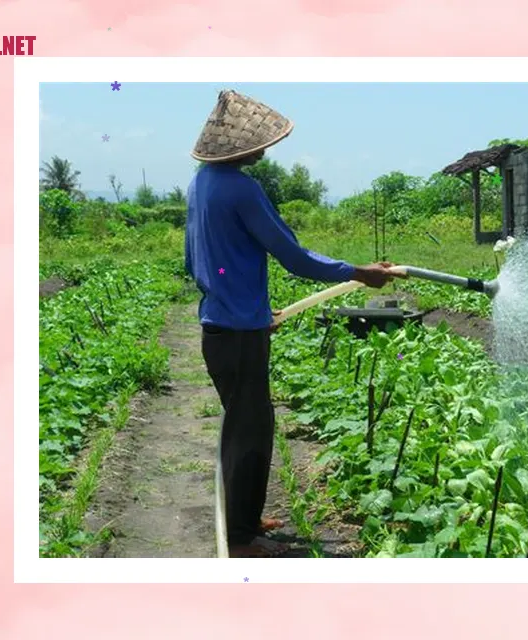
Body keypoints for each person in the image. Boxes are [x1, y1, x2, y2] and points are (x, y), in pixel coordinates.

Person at [185, 90, 404, 558]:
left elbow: (194, 259)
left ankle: (243, 517)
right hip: (239, 334)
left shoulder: (201, 183)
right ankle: (242, 538)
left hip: (220, 328)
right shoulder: (242, 188)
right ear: (237, 147)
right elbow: (294, 256)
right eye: (259, 143)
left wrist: (250, 311)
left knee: (243, 426)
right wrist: (357, 272)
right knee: (252, 430)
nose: (266, 149)